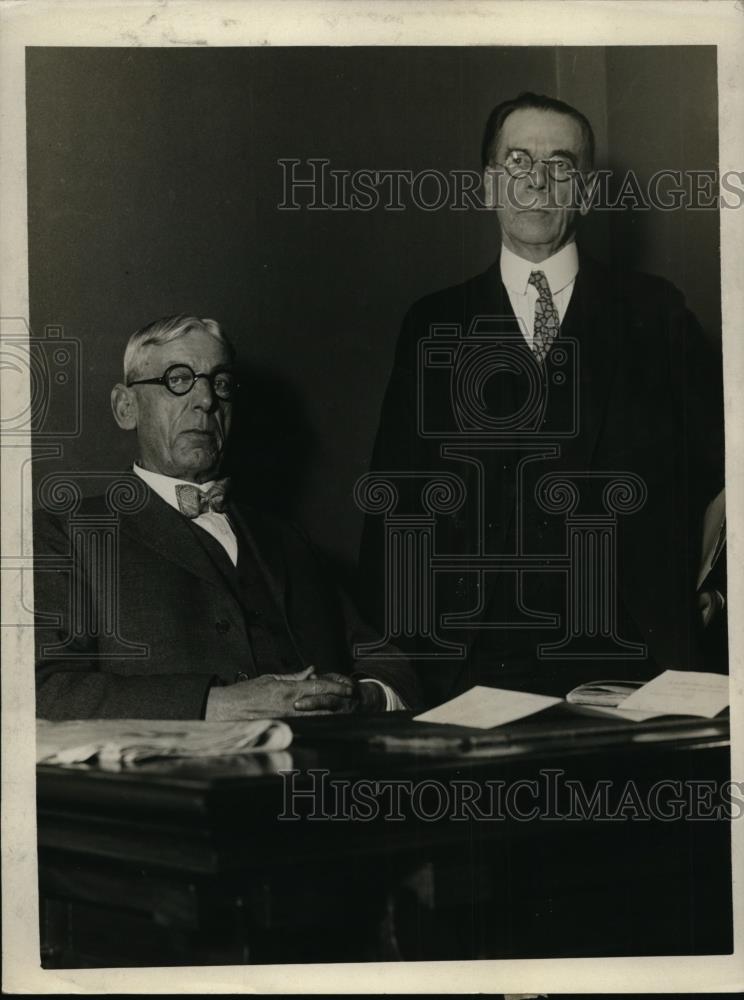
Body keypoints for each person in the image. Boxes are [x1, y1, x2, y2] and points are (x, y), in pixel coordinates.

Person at [359, 92, 725, 705]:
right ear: (488, 185)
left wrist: (717, 594)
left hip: (632, 663)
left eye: (560, 166)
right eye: (518, 162)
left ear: (583, 192)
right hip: (467, 666)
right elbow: (393, 502)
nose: (536, 182)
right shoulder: (433, 322)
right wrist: (391, 663)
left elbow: (727, 471)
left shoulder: (654, 311)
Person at [34, 314, 421, 720]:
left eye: (219, 383)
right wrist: (218, 703)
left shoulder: (288, 540)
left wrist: (364, 696)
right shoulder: (65, 533)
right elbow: (42, 690)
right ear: (126, 407)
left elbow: (393, 668)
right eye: (178, 379)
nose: (206, 401)